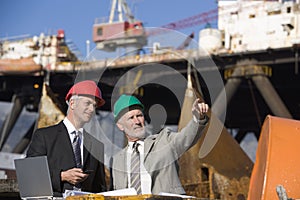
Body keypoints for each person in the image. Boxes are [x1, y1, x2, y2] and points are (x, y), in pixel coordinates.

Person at [110, 94, 209, 195]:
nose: (137, 121)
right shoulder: (116, 161)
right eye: (131, 118)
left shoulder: (164, 141)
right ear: (120, 125)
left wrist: (198, 118)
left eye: (139, 115)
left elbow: (186, 137)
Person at [26, 80, 107, 197]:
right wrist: (62, 176)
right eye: (87, 103)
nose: (92, 109)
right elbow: (30, 175)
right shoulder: (44, 136)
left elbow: (99, 188)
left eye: (94, 105)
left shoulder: (96, 146)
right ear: (72, 103)